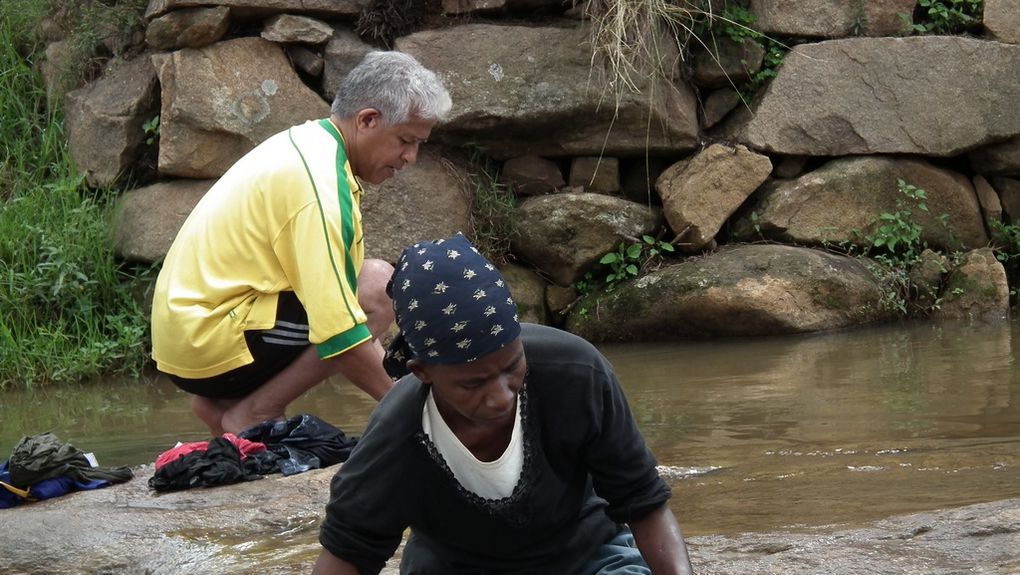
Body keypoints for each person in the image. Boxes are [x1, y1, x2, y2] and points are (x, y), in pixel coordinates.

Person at [312, 234, 694, 575]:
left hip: (589, 556)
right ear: (422, 372)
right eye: (471, 384)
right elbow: (350, 550)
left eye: (512, 367)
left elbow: (643, 502)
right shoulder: (398, 432)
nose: (500, 396)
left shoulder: (576, 373)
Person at [150, 51, 452, 436]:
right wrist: (425, 419)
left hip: (186, 339)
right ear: (368, 120)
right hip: (209, 340)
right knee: (376, 289)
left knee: (359, 289)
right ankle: (257, 411)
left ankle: (226, 405)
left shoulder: (309, 143)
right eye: (407, 140)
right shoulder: (321, 186)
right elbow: (340, 332)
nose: (411, 157)